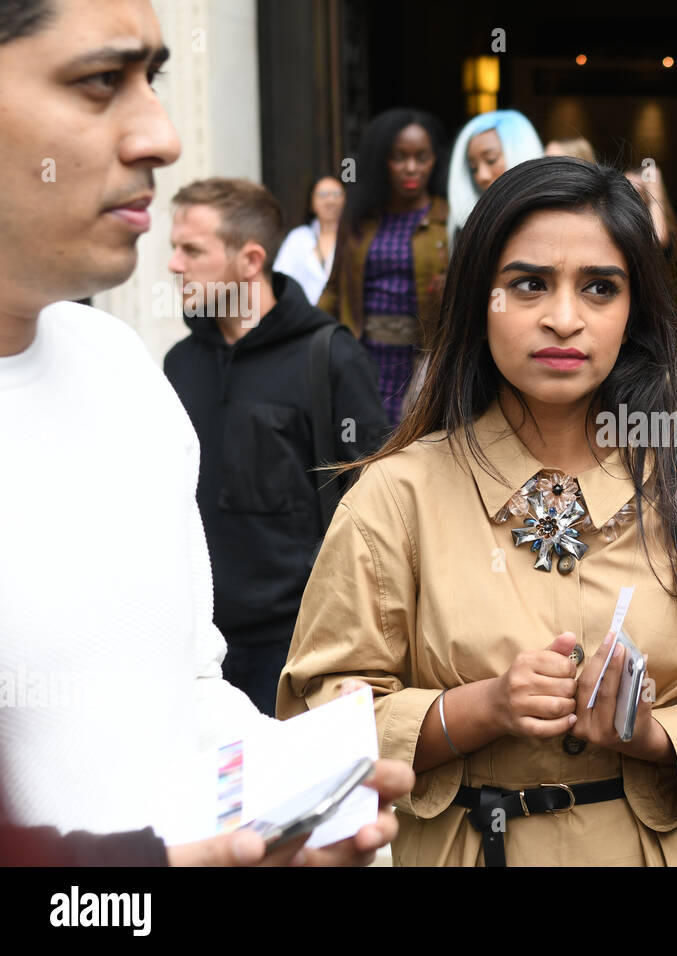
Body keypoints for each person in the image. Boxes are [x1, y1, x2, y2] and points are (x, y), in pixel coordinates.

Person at [277, 157, 677, 866]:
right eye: (529, 284)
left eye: (600, 288)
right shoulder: (396, 495)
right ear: (480, 295)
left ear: (634, 311)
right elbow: (314, 727)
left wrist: (653, 734)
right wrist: (474, 711)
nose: (564, 319)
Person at [0, 0, 410, 865]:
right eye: (100, 80)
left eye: (154, 79)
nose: (163, 135)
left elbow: (188, 685)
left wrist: (280, 804)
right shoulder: (180, 364)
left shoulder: (124, 370)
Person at [163, 177, 391, 717]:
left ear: (250, 260)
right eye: (174, 248)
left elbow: (382, 505)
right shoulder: (178, 363)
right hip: (191, 651)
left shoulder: (329, 357)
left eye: (191, 250)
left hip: (299, 647)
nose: (174, 265)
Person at [318, 108, 451, 423]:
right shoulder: (358, 218)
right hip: (363, 357)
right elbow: (334, 289)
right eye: (398, 157)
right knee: (362, 449)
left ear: (435, 160)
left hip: (422, 360)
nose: (411, 168)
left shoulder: (449, 218)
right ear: (381, 160)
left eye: (422, 157)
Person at [446, 109, 544, 245]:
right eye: (473, 168)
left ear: (521, 153)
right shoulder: (468, 229)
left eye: (491, 160)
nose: (482, 176)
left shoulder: (548, 217)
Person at [272, 175, 344, 305]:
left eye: (336, 194)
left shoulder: (355, 237)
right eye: (322, 195)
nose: (330, 200)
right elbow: (281, 279)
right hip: (304, 318)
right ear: (312, 203)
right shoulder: (298, 238)